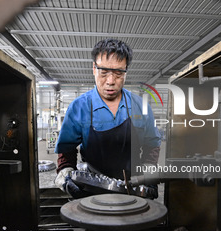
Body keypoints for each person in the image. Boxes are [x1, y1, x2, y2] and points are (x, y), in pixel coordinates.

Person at [54, 38, 161, 198]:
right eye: (104, 73)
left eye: (118, 73)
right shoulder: (79, 108)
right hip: (92, 187)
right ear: (94, 69)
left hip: (134, 187)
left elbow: (151, 144)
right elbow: (66, 150)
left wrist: (148, 171)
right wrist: (66, 172)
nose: (110, 81)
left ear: (126, 71)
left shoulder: (141, 106)